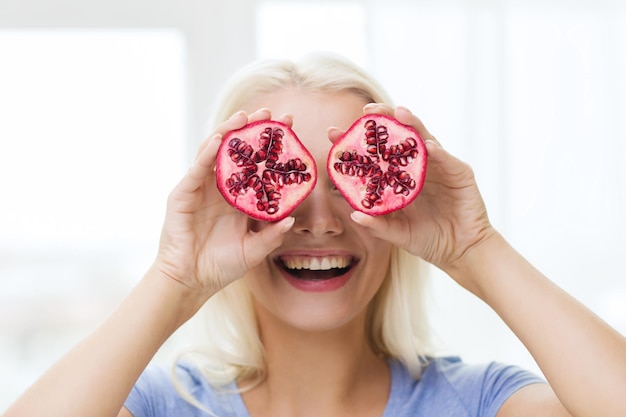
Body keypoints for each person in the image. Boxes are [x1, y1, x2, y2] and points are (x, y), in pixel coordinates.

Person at [3, 53, 625, 417]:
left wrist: (478, 248)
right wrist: (175, 279)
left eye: (351, 182)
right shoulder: (164, 405)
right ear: (226, 204)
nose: (320, 221)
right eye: (284, 182)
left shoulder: (483, 402)